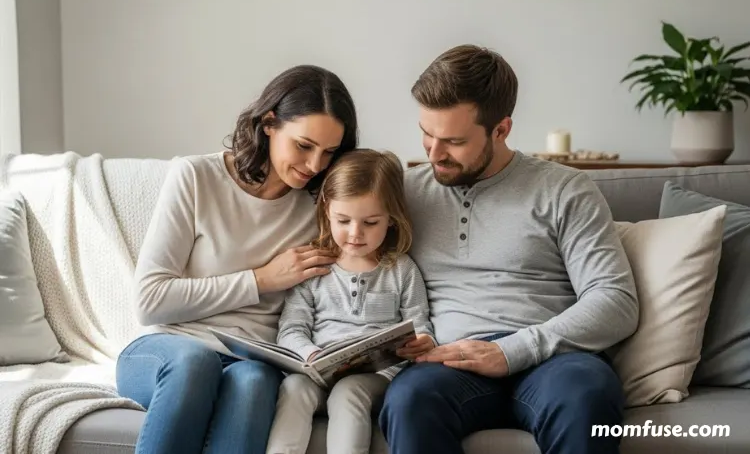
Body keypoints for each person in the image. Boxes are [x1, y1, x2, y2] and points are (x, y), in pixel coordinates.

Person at [379, 45, 640, 454]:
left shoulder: (564, 189)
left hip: (552, 359)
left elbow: (616, 301)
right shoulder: (404, 194)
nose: (433, 153)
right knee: (409, 401)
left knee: (586, 394)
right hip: (449, 362)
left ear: (501, 129)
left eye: (453, 141)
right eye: (426, 133)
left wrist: (512, 350)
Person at [115, 64, 359, 454]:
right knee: (197, 365)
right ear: (269, 124)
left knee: (255, 384)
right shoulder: (195, 177)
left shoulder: (323, 206)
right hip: (170, 350)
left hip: (252, 360)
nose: (315, 165)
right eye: (304, 145)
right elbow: (150, 300)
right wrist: (261, 279)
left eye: (329, 152)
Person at [264, 149, 436, 454]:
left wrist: (422, 341)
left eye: (371, 222)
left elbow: (419, 323)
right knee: (293, 388)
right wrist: (311, 354)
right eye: (343, 220)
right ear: (327, 211)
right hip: (318, 368)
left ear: (391, 219)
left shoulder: (401, 269)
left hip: (378, 377)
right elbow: (291, 329)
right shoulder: (314, 268)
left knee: (348, 390)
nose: (355, 233)